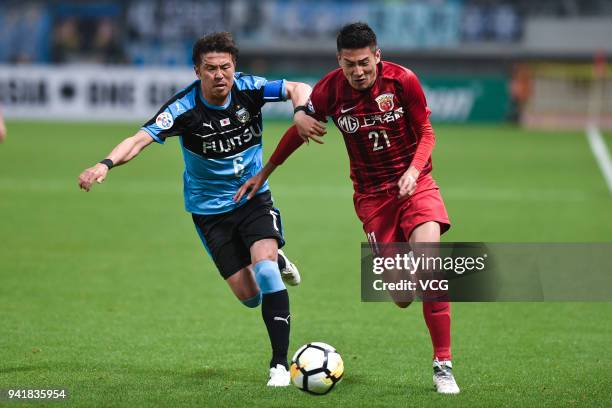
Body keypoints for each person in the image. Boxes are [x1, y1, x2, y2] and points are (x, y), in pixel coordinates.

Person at [78, 32, 324, 387]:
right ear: (198, 70)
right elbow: (139, 139)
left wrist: (300, 112)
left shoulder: (249, 89)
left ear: (234, 67)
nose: (219, 75)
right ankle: (276, 261)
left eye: (225, 67)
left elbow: (299, 87)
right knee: (250, 297)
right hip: (210, 212)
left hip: (253, 196)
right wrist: (105, 164)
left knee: (267, 272)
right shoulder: (184, 109)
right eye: (211, 69)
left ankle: (279, 366)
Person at [235, 22, 460, 394]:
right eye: (349, 64)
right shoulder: (330, 91)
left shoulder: (404, 82)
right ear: (339, 60)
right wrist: (266, 171)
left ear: (377, 56)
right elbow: (299, 131)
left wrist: (414, 170)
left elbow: (427, 132)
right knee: (403, 296)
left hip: (416, 186)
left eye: (364, 63)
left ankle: (443, 365)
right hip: (373, 198)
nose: (357, 72)